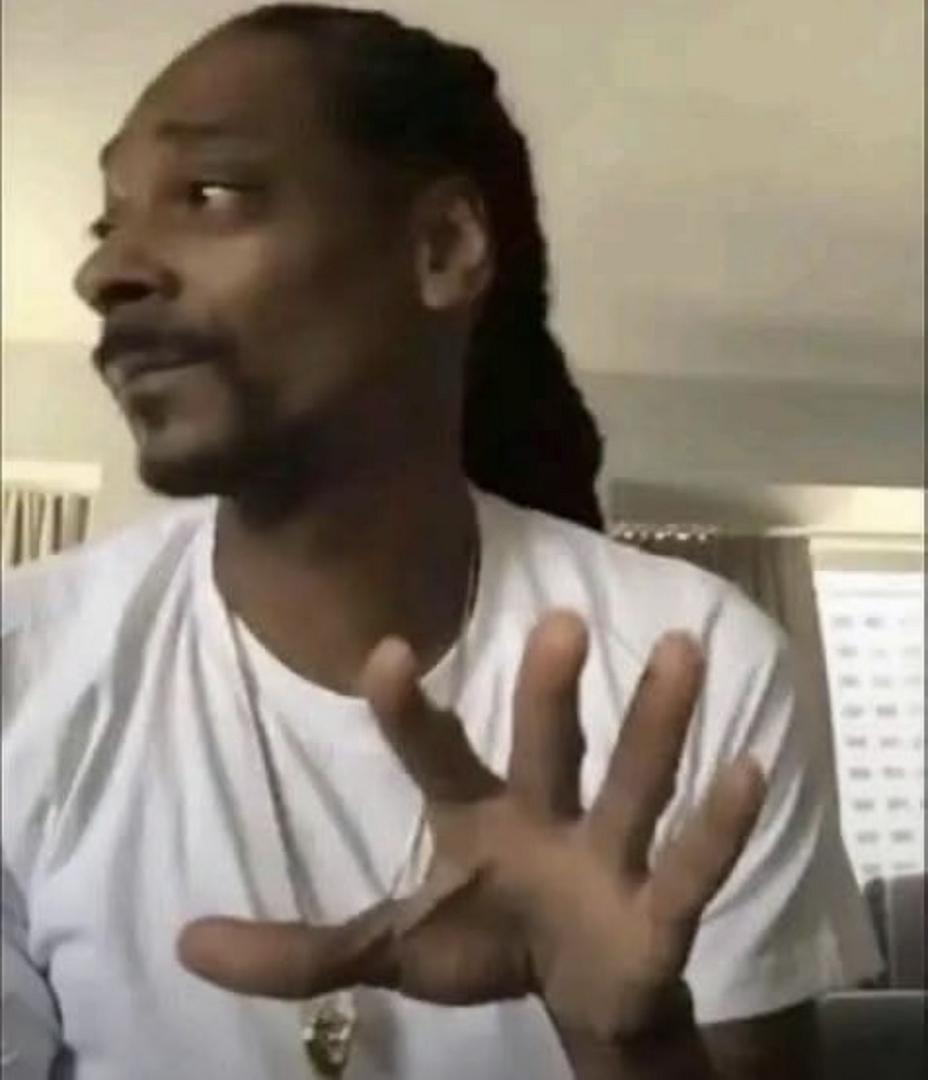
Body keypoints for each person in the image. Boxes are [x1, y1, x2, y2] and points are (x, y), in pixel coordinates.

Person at [1, 5, 881, 1079]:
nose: (106, 271)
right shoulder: (22, 672)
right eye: (107, 222)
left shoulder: (696, 669)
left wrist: (633, 1042)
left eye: (211, 193)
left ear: (443, 248)